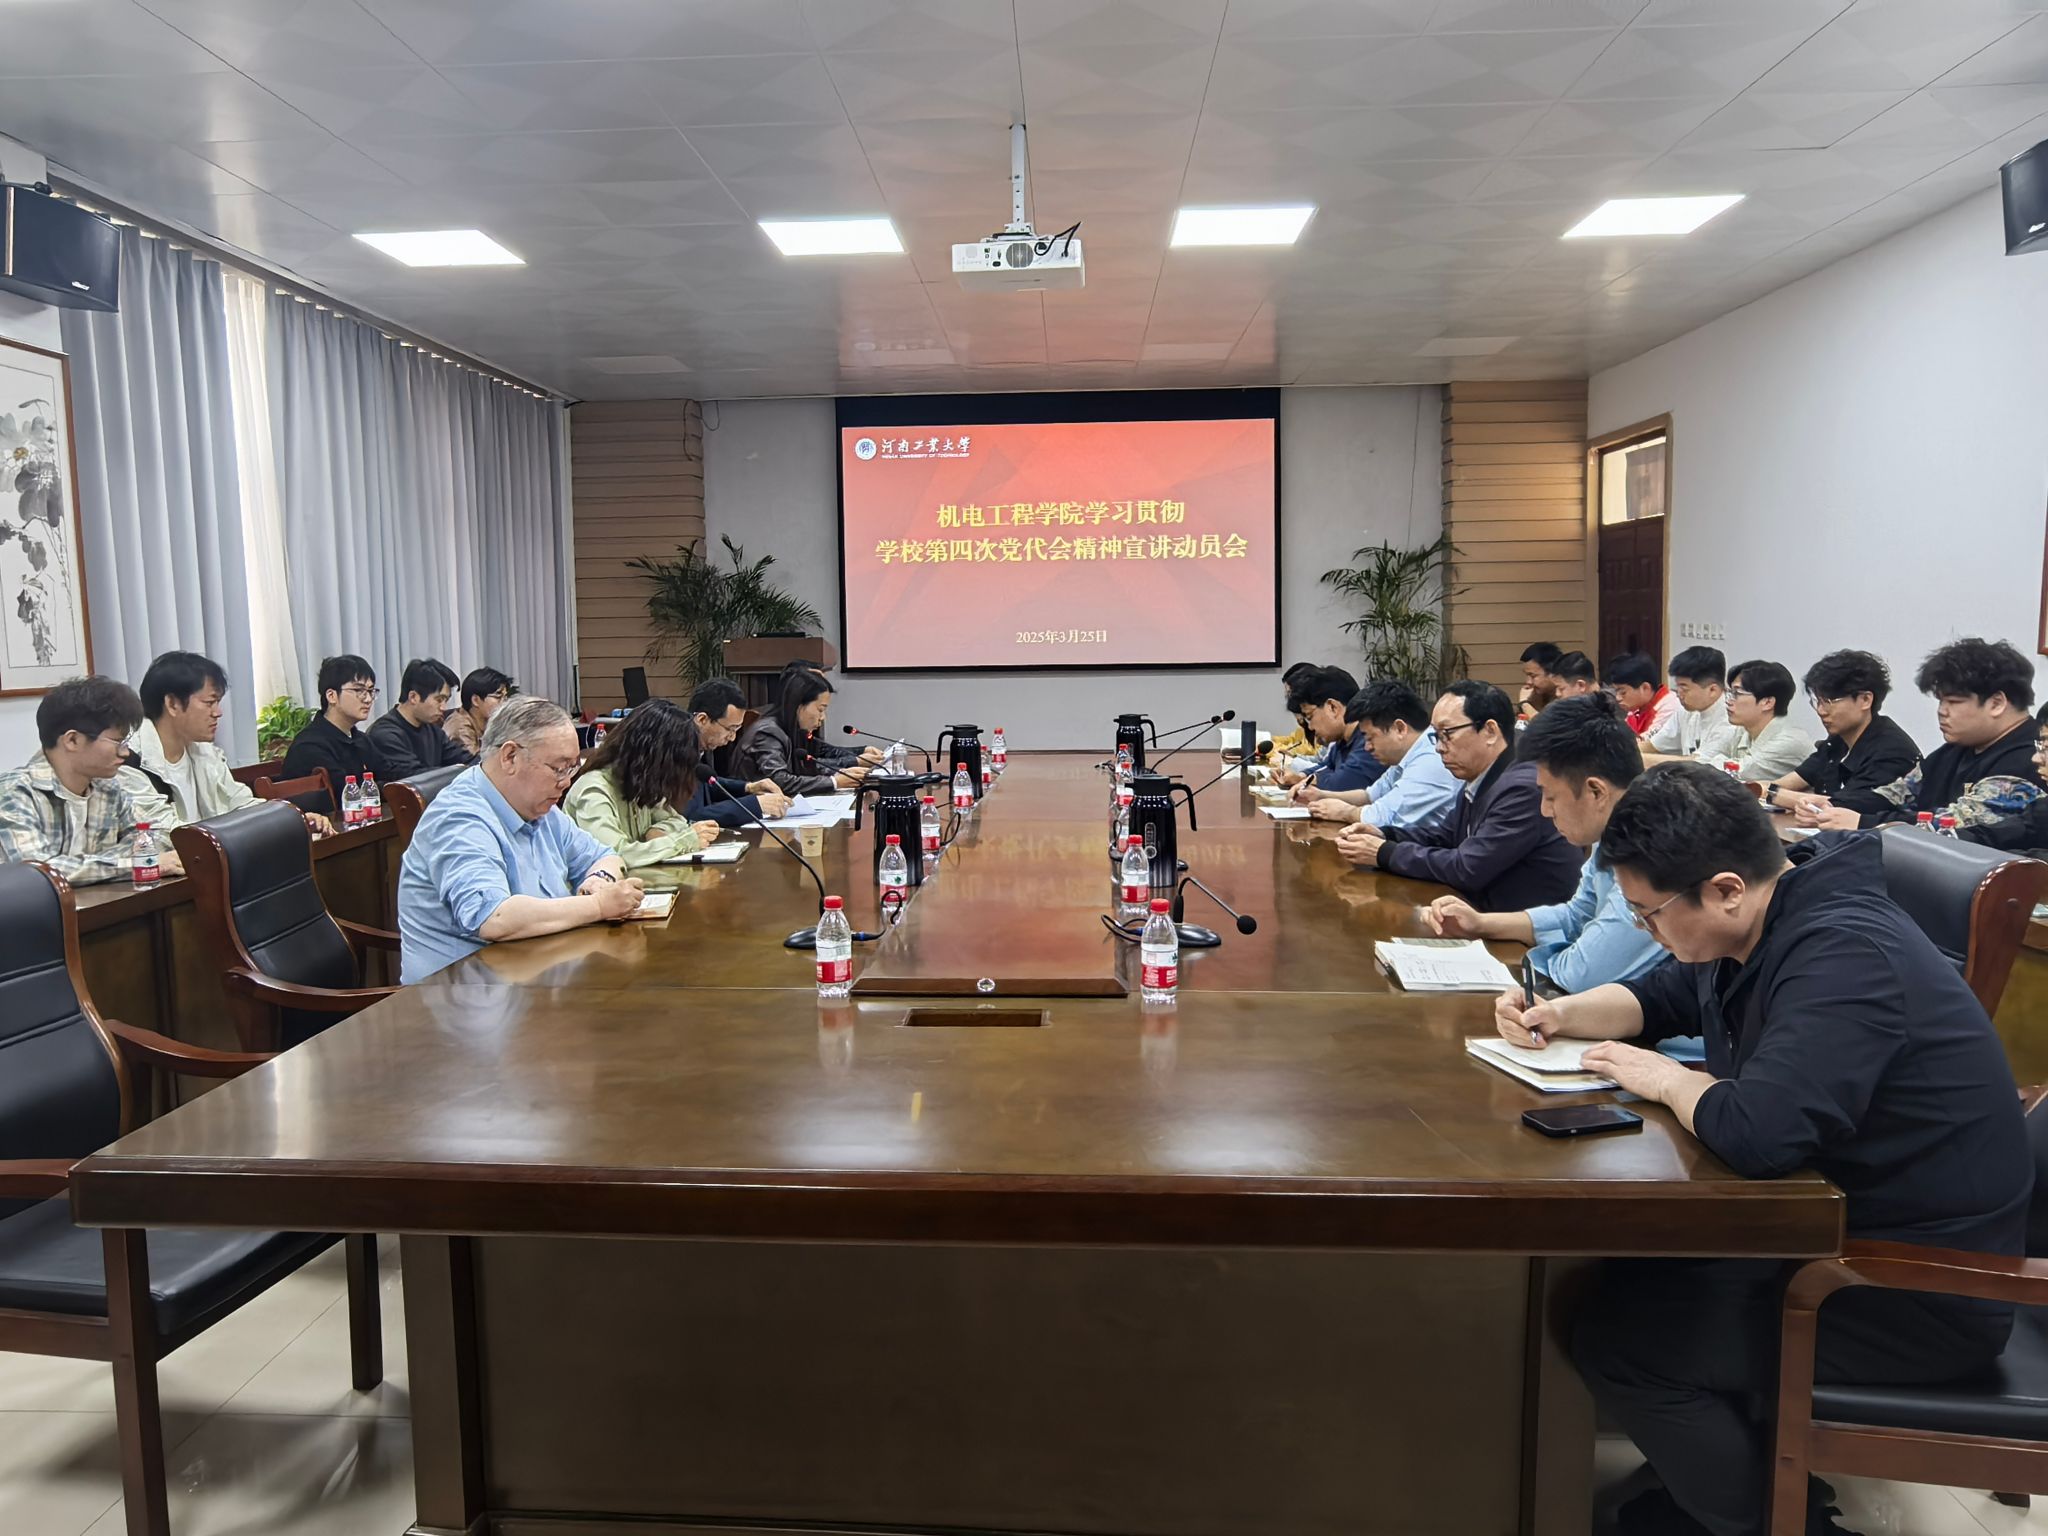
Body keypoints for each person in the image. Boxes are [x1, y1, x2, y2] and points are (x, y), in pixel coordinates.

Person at [1494, 764, 2029, 1536]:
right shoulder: (1774, 911)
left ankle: (1775, 1522)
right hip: (1831, 1230)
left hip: (1914, 1286)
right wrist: (1562, 1013)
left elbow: (1759, 1134)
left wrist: (1668, 1079)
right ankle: (1711, 1483)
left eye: (1649, 915)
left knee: (1623, 1343)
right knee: (1619, 1280)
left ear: (1724, 890)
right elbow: (1664, 997)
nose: (1646, 932)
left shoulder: (1845, 953)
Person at [1424, 692, 1664, 992]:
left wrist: (1529, 964)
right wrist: (1481, 924)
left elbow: (1582, 974)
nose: (1545, 811)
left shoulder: (1653, 854)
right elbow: (1575, 916)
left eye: (1550, 797)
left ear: (1596, 792)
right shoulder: (1614, 832)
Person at [398, 695, 641, 984]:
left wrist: (600, 878)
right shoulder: (459, 818)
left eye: (572, 768)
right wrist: (598, 906)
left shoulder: (540, 808)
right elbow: (494, 918)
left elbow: (606, 856)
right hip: (466, 994)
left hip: (538, 976)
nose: (566, 781)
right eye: (558, 768)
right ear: (510, 757)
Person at [1337, 679, 1582, 910]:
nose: (1438, 747)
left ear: (1490, 731)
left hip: (1520, 930)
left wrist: (1383, 852)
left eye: (1447, 734)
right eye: (1436, 735)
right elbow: (1445, 836)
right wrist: (1384, 834)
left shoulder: (1522, 788)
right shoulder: (1482, 774)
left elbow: (1467, 868)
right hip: (1481, 912)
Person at [1802, 637, 2042, 832]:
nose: (1942, 712)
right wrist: (1832, 805)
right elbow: (1896, 794)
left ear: (1996, 703)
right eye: (1940, 701)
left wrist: (1862, 823)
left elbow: (1951, 825)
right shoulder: (1956, 750)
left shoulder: (2031, 760)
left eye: (1953, 702)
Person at [123, 650, 331, 835]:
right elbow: (162, 834)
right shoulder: (129, 761)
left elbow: (239, 803)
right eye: (209, 703)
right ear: (172, 704)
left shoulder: (203, 751)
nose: (218, 712)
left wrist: (293, 821)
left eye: (218, 702)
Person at [0, 675, 182, 883]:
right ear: (72, 740)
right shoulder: (15, 793)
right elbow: (38, 873)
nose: (125, 753)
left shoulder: (108, 788)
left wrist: (96, 867)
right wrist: (132, 863)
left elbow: (156, 836)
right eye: (117, 742)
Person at [563, 700, 723, 874]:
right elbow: (614, 855)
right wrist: (683, 841)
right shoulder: (594, 791)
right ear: (655, 758)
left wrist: (659, 829)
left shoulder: (638, 782)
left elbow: (676, 820)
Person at [1762, 650, 1922, 815]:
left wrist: (1774, 794)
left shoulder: (1892, 751)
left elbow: (1842, 807)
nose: (1821, 711)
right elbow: (1787, 783)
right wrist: (1765, 790)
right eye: (1817, 701)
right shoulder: (1837, 741)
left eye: (1829, 701)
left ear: (1865, 700)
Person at [1303, 680, 1461, 833]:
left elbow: (1383, 817)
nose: (1367, 747)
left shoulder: (1431, 759)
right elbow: (1370, 795)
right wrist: (1321, 795)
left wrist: (1345, 812)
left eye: (1370, 737)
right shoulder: (1407, 755)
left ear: (1399, 729)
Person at [280, 654, 388, 809]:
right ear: (331, 696)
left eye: (370, 691)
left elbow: (390, 775)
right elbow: (347, 794)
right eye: (359, 690)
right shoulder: (309, 746)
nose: (368, 699)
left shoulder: (360, 739)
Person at [737, 669, 867, 796]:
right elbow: (779, 781)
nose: (823, 717)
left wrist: (839, 773)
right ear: (799, 705)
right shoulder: (768, 732)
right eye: (820, 710)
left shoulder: (792, 730)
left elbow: (805, 768)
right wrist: (834, 782)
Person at [680, 678, 790, 827]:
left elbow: (706, 785)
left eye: (737, 729)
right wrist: (755, 805)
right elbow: (689, 817)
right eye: (730, 729)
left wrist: (748, 788)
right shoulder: (673, 753)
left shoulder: (699, 744)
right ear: (702, 719)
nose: (732, 738)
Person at [1278, 665, 1382, 797]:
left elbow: (1342, 784)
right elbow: (1326, 766)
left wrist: (1311, 781)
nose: (1310, 727)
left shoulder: (1369, 739)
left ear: (1333, 708)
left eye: (1310, 717)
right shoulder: (1342, 740)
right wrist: (1301, 777)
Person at [1960, 703, 2048, 856]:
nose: (2036, 758)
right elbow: (2001, 833)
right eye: (2040, 747)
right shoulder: (2043, 809)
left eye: (2046, 747)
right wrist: (1949, 838)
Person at [368, 657, 477, 778]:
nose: (443, 707)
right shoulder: (385, 734)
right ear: (413, 697)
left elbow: (466, 760)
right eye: (439, 700)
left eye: (446, 700)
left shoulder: (433, 730)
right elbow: (415, 777)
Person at [1722, 658, 1809, 782]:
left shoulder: (1789, 741)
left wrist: (1718, 760)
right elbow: (1703, 759)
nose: (1728, 701)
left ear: (1767, 702)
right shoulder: (1742, 730)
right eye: (1729, 692)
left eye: (1737, 693)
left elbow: (1741, 773)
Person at [1645, 645, 1738, 761]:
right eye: (1677, 687)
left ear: (1712, 690)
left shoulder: (1731, 720)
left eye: (1684, 689)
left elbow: (1696, 763)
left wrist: (1636, 759)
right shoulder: (1686, 710)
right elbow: (1652, 745)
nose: (1678, 694)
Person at [443, 666, 514, 757]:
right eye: (498, 697)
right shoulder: (460, 727)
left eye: (505, 697)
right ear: (475, 700)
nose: (504, 703)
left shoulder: (491, 722)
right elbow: (476, 762)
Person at [1607, 652, 1678, 741]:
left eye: (1623, 692)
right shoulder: (1636, 709)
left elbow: (1648, 743)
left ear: (1645, 688)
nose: (1618, 698)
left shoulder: (1669, 707)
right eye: (1616, 691)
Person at [1265, 662, 1320, 762]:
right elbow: (1293, 740)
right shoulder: (1304, 725)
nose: (1289, 699)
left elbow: (1306, 750)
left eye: (1290, 694)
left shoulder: (1320, 721)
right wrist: (1264, 739)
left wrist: (1274, 750)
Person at [1519, 641, 1564, 719]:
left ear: (1552, 673)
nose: (1528, 682)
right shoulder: (1536, 697)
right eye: (1527, 675)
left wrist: (1525, 704)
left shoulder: (1567, 699)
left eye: (1533, 676)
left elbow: (1546, 725)